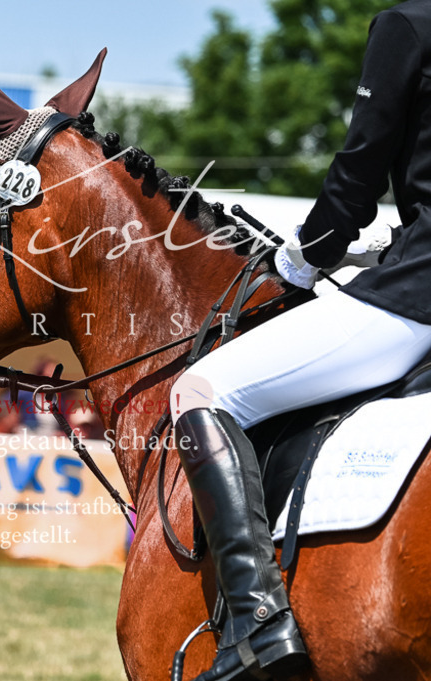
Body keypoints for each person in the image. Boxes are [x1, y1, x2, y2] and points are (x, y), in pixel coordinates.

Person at [169, 3, 431, 680]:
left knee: (200, 389)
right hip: (410, 260)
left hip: (422, 294)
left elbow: (359, 172)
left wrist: (305, 256)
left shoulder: (408, 24)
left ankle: (256, 624)